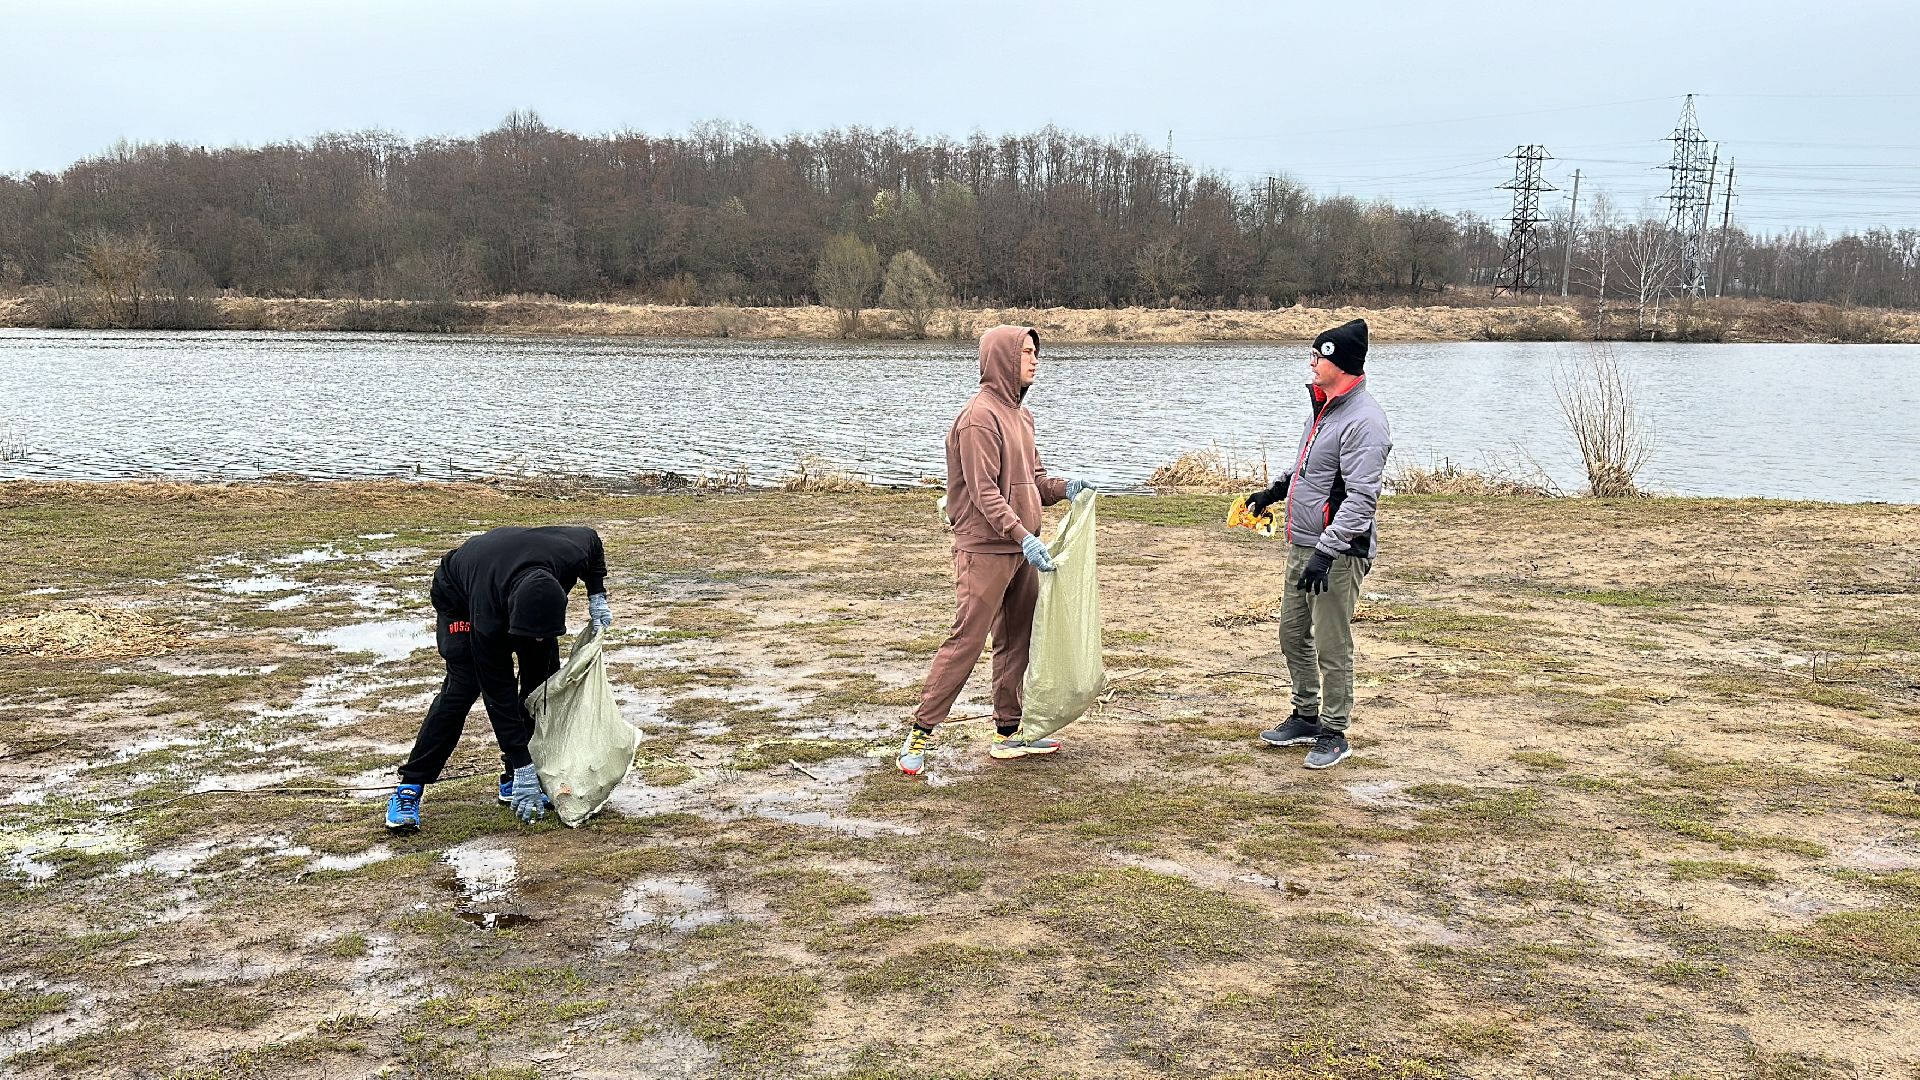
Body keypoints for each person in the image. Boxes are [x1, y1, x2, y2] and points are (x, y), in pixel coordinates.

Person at [899, 325, 1094, 776]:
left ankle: (1009, 732)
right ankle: (920, 734)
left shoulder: (1022, 416)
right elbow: (985, 493)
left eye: (1036, 352)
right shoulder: (977, 418)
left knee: (1017, 639)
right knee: (967, 640)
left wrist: (1067, 487)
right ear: (1002, 359)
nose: (1034, 359)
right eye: (1025, 352)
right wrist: (1021, 535)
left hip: (1023, 550)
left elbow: (1035, 482)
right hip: (986, 549)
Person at [385, 525, 612, 831]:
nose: (536, 643)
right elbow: (498, 694)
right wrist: (524, 764)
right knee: (463, 688)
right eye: (530, 637)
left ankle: (511, 778)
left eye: (544, 637)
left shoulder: (571, 552)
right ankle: (410, 787)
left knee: (540, 687)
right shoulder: (487, 619)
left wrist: (597, 595)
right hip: (461, 600)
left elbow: (593, 540)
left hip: (520, 587)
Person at [1243, 318, 1391, 770]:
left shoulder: (1366, 422)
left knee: (1332, 644)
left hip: (1338, 555)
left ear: (1340, 363)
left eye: (1318, 356)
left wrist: (1327, 553)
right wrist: (1273, 492)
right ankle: (1305, 716)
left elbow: (1361, 499)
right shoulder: (1320, 408)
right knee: (1292, 635)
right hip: (1302, 544)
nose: (1311, 363)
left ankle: (1334, 731)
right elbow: (1308, 470)